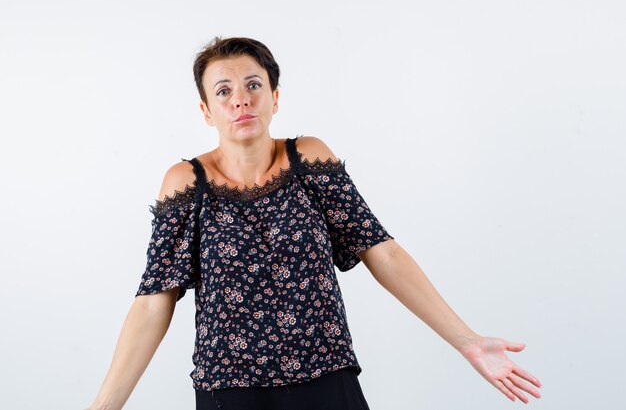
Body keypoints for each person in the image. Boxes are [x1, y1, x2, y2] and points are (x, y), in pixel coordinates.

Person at [85, 36, 542, 410]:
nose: (240, 100)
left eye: (253, 85)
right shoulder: (185, 183)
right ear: (206, 110)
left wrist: (467, 341)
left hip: (328, 378)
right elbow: (152, 303)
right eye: (223, 91)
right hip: (231, 391)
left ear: (275, 97)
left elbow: (381, 251)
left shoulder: (309, 158)